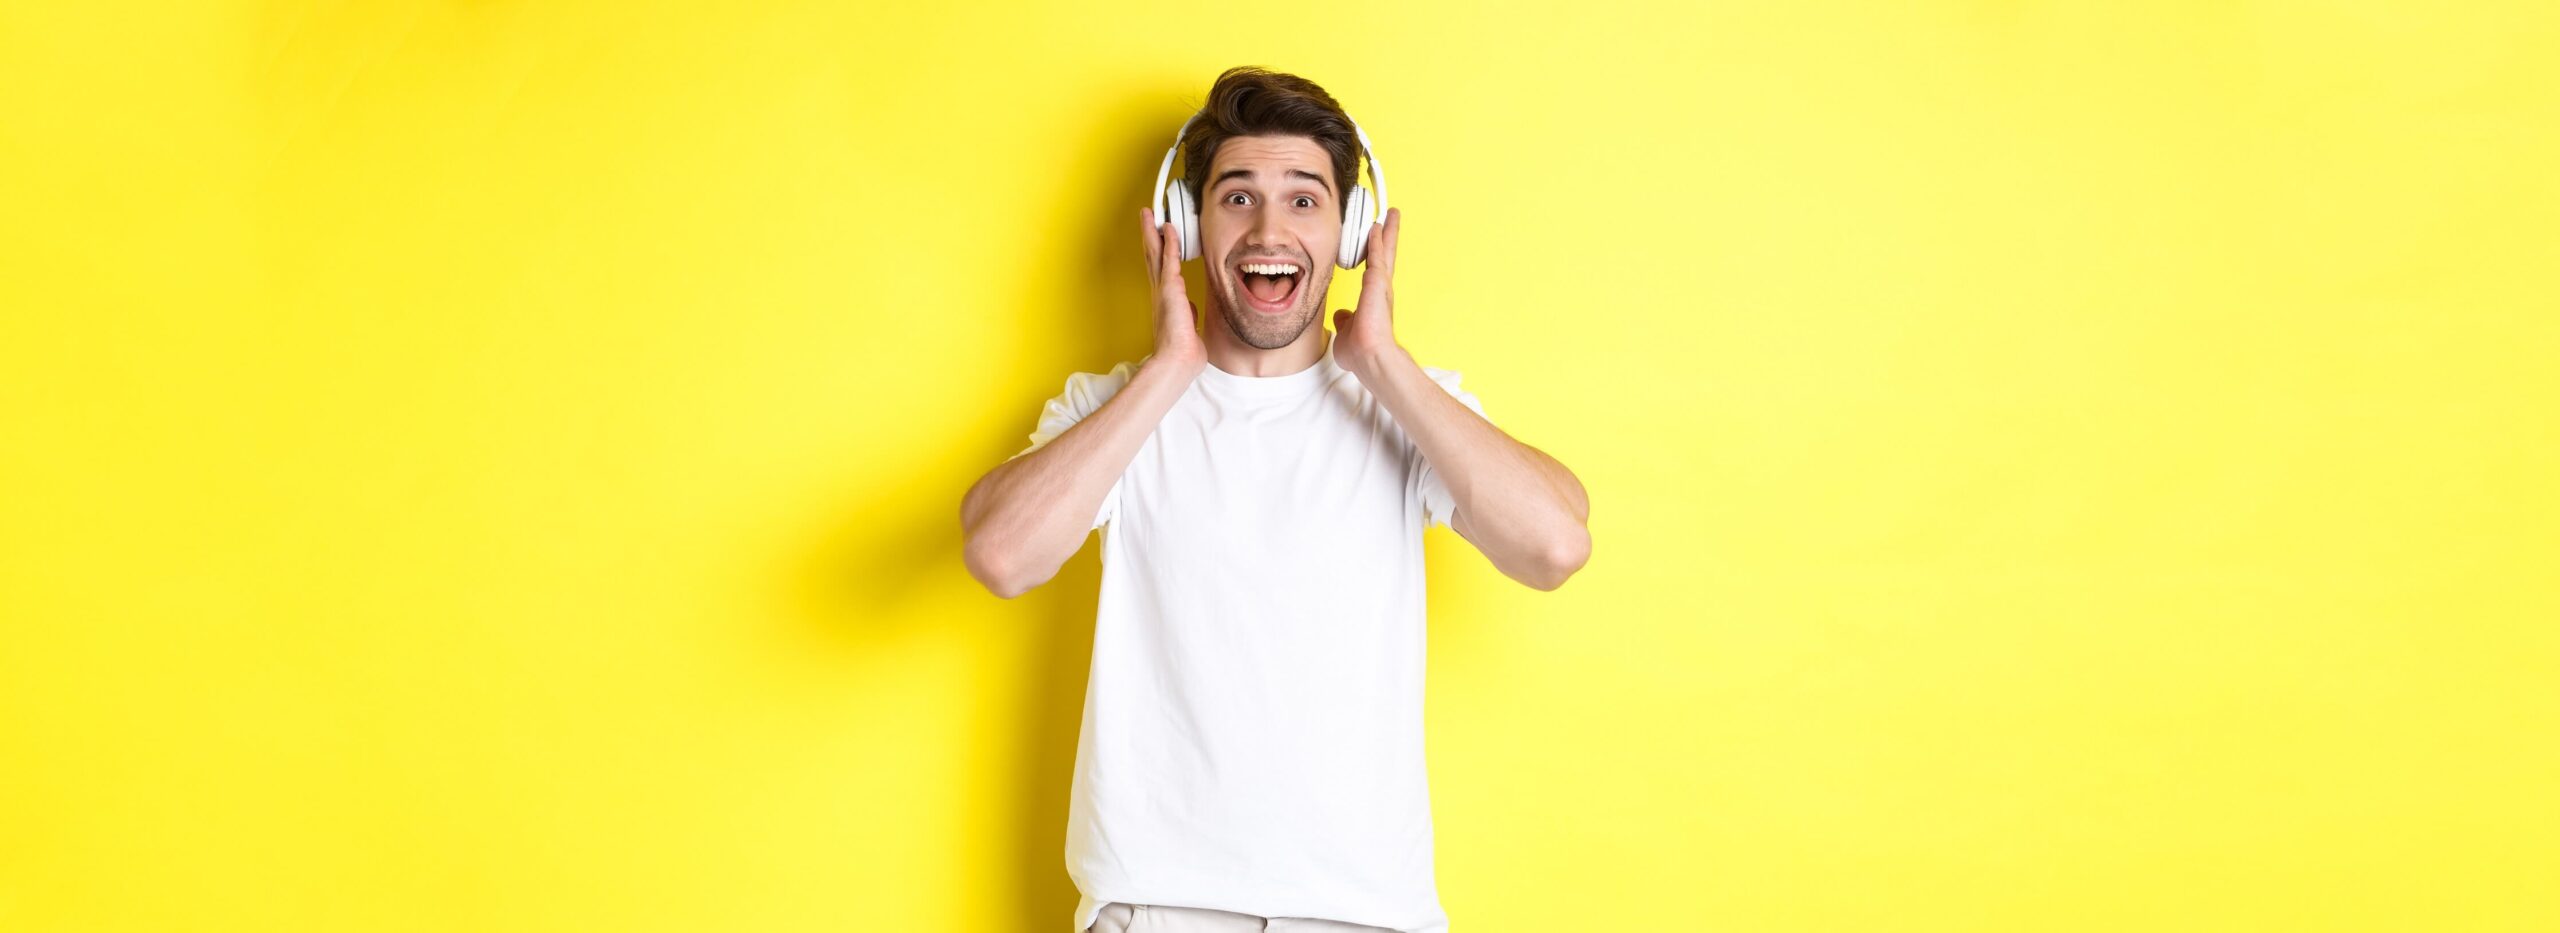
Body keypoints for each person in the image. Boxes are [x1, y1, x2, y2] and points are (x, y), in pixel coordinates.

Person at [959, 66, 1591, 933]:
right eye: (1236, 197)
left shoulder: (1407, 407)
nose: (1269, 228)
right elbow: (1000, 555)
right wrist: (1170, 370)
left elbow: (1555, 544)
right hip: (1160, 910)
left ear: (1352, 231)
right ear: (1186, 226)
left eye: (1304, 201)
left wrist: (1384, 362)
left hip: (1364, 917)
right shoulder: (1115, 410)